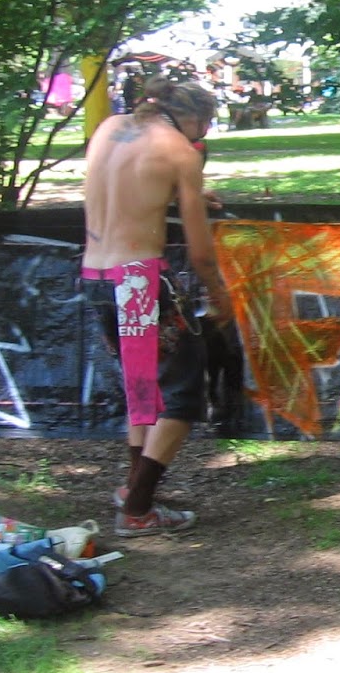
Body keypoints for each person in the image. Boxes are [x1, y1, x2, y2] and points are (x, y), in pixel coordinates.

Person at [81, 76, 230, 537]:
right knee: (183, 396)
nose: (204, 134)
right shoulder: (181, 153)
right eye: (205, 124)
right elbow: (201, 252)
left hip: (95, 276)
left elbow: (127, 189)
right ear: (194, 118)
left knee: (142, 384)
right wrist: (219, 294)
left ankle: (132, 486)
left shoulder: (109, 128)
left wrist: (185, 193)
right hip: (139, 280)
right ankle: (137, 509)